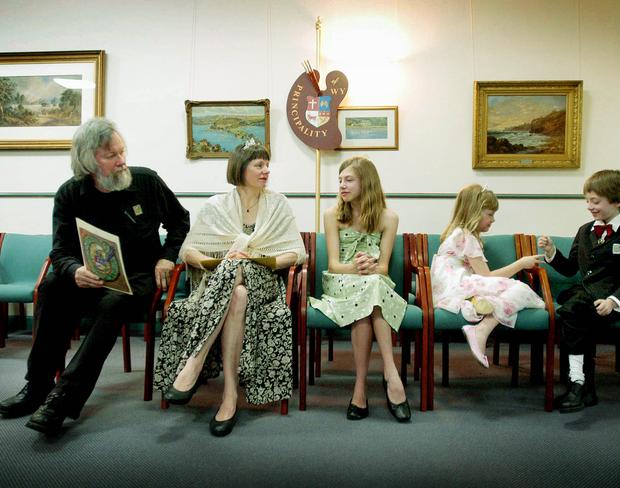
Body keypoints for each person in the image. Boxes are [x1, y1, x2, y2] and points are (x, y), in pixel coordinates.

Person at [0, 118, 190, 435]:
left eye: (122, 151)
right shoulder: (69, 194)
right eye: (111, 155)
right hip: (91, 276)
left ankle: (61, 399)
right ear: (89, 161)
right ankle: (37, 388)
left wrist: (167, 258)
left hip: (138, 278)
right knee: (50, 287)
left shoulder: (145, 182)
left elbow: (180, 222)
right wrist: (75, 271)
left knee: (113, 303)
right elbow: (59, 252)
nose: (122, 160)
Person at [153, 140, 305, 437]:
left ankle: (193, 363)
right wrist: (221, 261)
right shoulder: (216, 205)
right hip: (223, 285)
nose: (266, 170)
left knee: (240, 269)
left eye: (266, 164)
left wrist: (254, 258)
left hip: (264, 282)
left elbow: (296, 254)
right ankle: (230, 396)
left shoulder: (278, 204)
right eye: (259, 165)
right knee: (238, 293)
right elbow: (189, 252)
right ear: (241, 168)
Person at [538, 169, 620, 413]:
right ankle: (582, 389)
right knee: (575, 313)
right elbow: (569, 269)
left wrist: (613, 301)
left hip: (614, 298)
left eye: (595, 201)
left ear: (618, 200)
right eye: (587, 200)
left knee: (573, 314)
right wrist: (551, 253)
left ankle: (578, 386)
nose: (589, 206)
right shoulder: (584, 230)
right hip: (584, 296)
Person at [310, 157, 411, 422]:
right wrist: (357, 267)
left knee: (372, 290)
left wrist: (371, 267)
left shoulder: (389, 217)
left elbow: (384, 268)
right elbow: (333, 265)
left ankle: (360, 389)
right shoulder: (332, 215)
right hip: (340, 281)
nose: (342, 185)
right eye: (340, 180)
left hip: (372, 281)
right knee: (371, 289)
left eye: (349, 180)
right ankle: (391, 374)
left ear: (366, 182)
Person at [430, 184, 545, 368]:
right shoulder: (467, 237)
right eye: (490, 214)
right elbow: (487, 276)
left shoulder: (458, 233)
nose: (493, 220)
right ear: (475, 212)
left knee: (510, 293)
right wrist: (521, 264)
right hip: (457, 288)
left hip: (448, 289)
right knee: (522, 290)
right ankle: (482, 330)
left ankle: (485, 323)